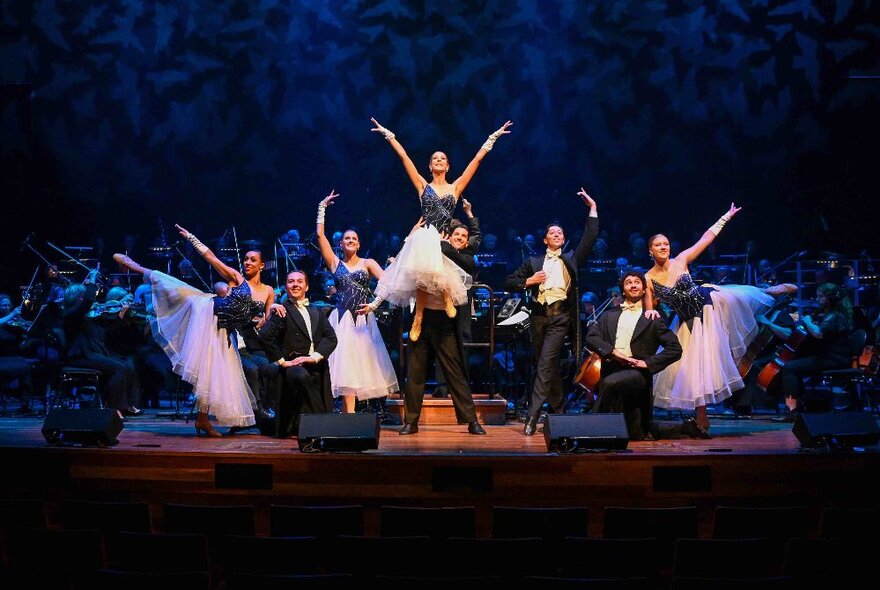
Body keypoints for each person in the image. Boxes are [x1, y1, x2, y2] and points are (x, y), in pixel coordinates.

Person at [644, 204, 788, 433]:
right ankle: (702, 419)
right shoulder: (648, 278)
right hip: (685, 321)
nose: (663, 247)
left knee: (741, 298)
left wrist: (725, 218)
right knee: (694, 369)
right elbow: (649, 304)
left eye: (666, 244)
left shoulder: (680, 260)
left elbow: (704, 240)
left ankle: (766, 291)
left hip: (708, 307)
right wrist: (650, 310)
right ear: (650, 251)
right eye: (658, 245)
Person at [368, 116, 512, 342]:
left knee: (439, 256)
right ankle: (418, 318)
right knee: (423, 267)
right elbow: (404, 157)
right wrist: (388, 135)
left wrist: (492, 137)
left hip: (443, 240)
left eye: (442, 158)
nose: (438, 160)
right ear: (429, 166)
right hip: (425, 237)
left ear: (447, 166)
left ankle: (445, 298)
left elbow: (476, 160)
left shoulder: (455, 188)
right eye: (434, 158)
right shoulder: (422, 187)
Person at [112, 224, 260, 437]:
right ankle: (138, 268)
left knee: (212, 374)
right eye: (246, 259)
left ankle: (202, 420)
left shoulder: (267, 291)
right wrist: (192, 238)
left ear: (262, 265)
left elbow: (257, 318)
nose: (247, 262)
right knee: (172, 285)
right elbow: (211, 258)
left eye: (252, 260)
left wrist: (273, 308)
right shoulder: (238, 278)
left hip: (222, 329)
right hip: (207, 312)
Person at [359, 219, 486, 436]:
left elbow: (469, 265)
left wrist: (443, 244)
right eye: (455, 234)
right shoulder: (424, 253)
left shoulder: (458, 255)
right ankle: (411, 421)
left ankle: (471, 420)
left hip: (445, 322)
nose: (458, 238)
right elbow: (394, 274)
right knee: (415, 371)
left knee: (455, 371)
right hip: (422, 318)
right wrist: (374, 304)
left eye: (462, 237)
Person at [505, 188, 599, 436]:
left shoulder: (571, 259)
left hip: (560, 317)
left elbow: (589, 238)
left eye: (560, 232)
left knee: (545, 364)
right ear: (545, 239)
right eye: (552, 233)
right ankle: (558, 411)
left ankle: (533, 415)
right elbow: (508, 282)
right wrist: (528, 282)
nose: (557, 234)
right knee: (548, 366)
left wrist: (593, 210)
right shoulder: (534, 263)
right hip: (538, 317)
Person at [315, 190, 399, 413]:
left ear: (359, 244)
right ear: (341, 244)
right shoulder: (334, 263)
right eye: (346, 239)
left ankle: (351, 415)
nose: (350, 241)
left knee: (359, 367)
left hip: (362, 321)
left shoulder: (368, 262)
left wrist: (374, 304)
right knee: (344, 368)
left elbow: (389, 283)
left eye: (353, 238)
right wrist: (322, 208)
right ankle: (348, 414)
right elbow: (320, 236)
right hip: (341, 320)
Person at [585, 272, 691, 440]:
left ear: (643, 290)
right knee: (635, 433)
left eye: (637, 282)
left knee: (610, 383)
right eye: (628, 283)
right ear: (623, 290)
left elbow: (675, 348)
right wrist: (613, 352)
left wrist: (648, 363)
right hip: (612, 367)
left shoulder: (653, 318)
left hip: (636, 372)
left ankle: (590, 431)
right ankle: (685, 429)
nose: (633, 285)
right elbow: (591, 337)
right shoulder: (608, 315)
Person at [258, 271, 338, 437]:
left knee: (317, 373)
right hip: (292, 365)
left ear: (306, 287)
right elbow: (265, 336)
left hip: (313, 361)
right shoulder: (282, 311)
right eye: (290, 281)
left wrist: (314, 357)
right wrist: (282, 361)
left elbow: (331, 338)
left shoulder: (316, 311)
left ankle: (314, 425)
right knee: (301, 376)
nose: (295, 284)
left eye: (300, 281)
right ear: (286, 286)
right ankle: (324, 423)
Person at [760, 283, 854, 421]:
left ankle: (792, 410)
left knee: (789, 368)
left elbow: (818, 333)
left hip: (834, 359)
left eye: (820, 296)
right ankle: (799, 405)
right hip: (826, 357)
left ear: (830, 299)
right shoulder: (829, 315)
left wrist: (808, 321)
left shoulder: (835, 316)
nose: (817, 299)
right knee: (794, 366)